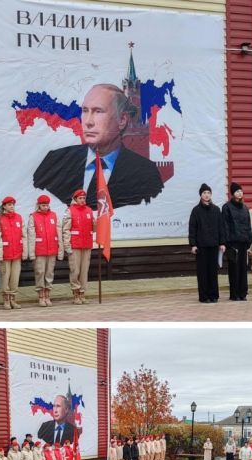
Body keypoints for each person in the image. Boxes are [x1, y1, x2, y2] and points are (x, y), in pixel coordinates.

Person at [33, 83, 164, 210]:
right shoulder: (54, 162)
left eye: (98, 111)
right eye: (85, 111)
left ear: (122, 120)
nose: (88, 122)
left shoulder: (145, 173)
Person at [188, 183, 226, 303]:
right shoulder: (196, 210)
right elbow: (192, 228)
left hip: (214, 245)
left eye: (208, 193)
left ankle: (213, 295)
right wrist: (193, 244)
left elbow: (221, 228)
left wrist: (222, 243)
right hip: (201, 246)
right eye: (204, 193)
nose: (206, 195)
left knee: (213, 272)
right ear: (200, 195)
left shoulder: (216, 210)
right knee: (203, 272)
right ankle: (204, 296)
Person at [27, 194, 64, 307]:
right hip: (39, 250)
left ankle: (48, 295)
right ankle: (41, 296)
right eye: (43, 205)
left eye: (47, 205)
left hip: (52, 249)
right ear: (38, 205)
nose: (45, 207)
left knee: (49, 273)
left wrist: (60, 250)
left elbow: (59, 234)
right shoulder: (33, 216)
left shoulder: (54, 216)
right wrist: (31, 253)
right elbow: (31, 236)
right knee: (40, 272)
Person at [0, 196, 27, 310]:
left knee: (15, 277)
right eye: (9, 205)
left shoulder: (19, 218)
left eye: (13, 204)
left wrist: (24, 250)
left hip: (17, 252)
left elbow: (24, 235)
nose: (12, 206)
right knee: (5, 276)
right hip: (5, 253)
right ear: (4, 206)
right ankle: (6, 299)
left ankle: (13, 299)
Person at [62, 189, 95, 305]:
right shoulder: (70, 211)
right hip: (74, 245)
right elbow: (65, 230)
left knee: (84, 271)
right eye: (80, 198)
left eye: (84, 198)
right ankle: (75, 293)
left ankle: (82, 293)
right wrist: (67, 245)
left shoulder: (89, 210)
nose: (82, 200)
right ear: (75, 199)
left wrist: (99, 222)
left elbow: (94, 228)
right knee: (75, 270)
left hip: (86, 245)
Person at [223, 182, 252, 301]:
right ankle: (234, 294)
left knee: (243, 269)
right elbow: (225, 226)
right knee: (234, 269)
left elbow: (248, 225)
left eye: (240, 191)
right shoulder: (227, 207)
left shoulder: (245, 208)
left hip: (243, 243)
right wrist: (228, 243)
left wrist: (249, 240)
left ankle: (243, 293)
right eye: (237, 191)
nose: (239, 193)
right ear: (232, 194)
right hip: (233, 243)